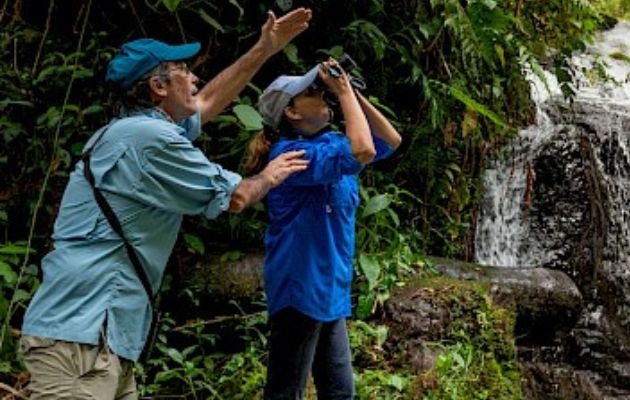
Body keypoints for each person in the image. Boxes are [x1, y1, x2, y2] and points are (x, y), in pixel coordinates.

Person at [19, 8, 312, 400]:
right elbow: (236, 197)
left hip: (106, 340)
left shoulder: (132, 132)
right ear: (158, 88)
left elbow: (206, 103)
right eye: (184, 70)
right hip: (80, 342)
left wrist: (263, 48)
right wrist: (269, 175)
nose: (194, 78)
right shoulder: (148, 140)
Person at [245, 58, 402, 399]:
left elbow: (389, 139)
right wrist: (342, 90)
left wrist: (353, 94)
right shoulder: (291, 155)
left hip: (330, 289)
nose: (323, 96)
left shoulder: (329, 144)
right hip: (300, 287)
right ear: (291, 113)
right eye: (313, 93)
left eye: (322, 90)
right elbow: (363, 149)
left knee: (340, 393)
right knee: (287, 392)